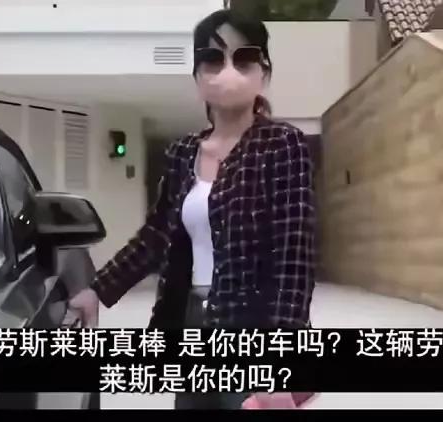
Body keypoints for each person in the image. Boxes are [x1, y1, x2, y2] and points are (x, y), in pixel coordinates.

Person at [67, 9, 317, 409]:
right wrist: (98, 290)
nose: (228, 71)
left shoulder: (282, 145)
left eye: (244, 59)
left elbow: (294, 258)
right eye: (213, 59)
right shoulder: (182, 152)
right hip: (190, 324)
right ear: (197, 77)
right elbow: (154, 236)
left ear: (264, 74)